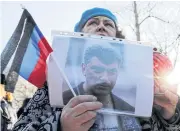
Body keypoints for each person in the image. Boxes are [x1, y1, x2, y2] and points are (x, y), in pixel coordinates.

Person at [13, 7, 180, 131]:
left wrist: (171, 116)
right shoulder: (54, 86)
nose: (101, 26)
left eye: (108, 24)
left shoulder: (144, 89)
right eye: (93, 22)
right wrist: (61, 126)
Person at [63, 44, 135, 113]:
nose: (105, 78)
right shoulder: (62, 101)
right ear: (84, 69)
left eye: (112, 72)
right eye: (98, 70)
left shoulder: (128, 110)